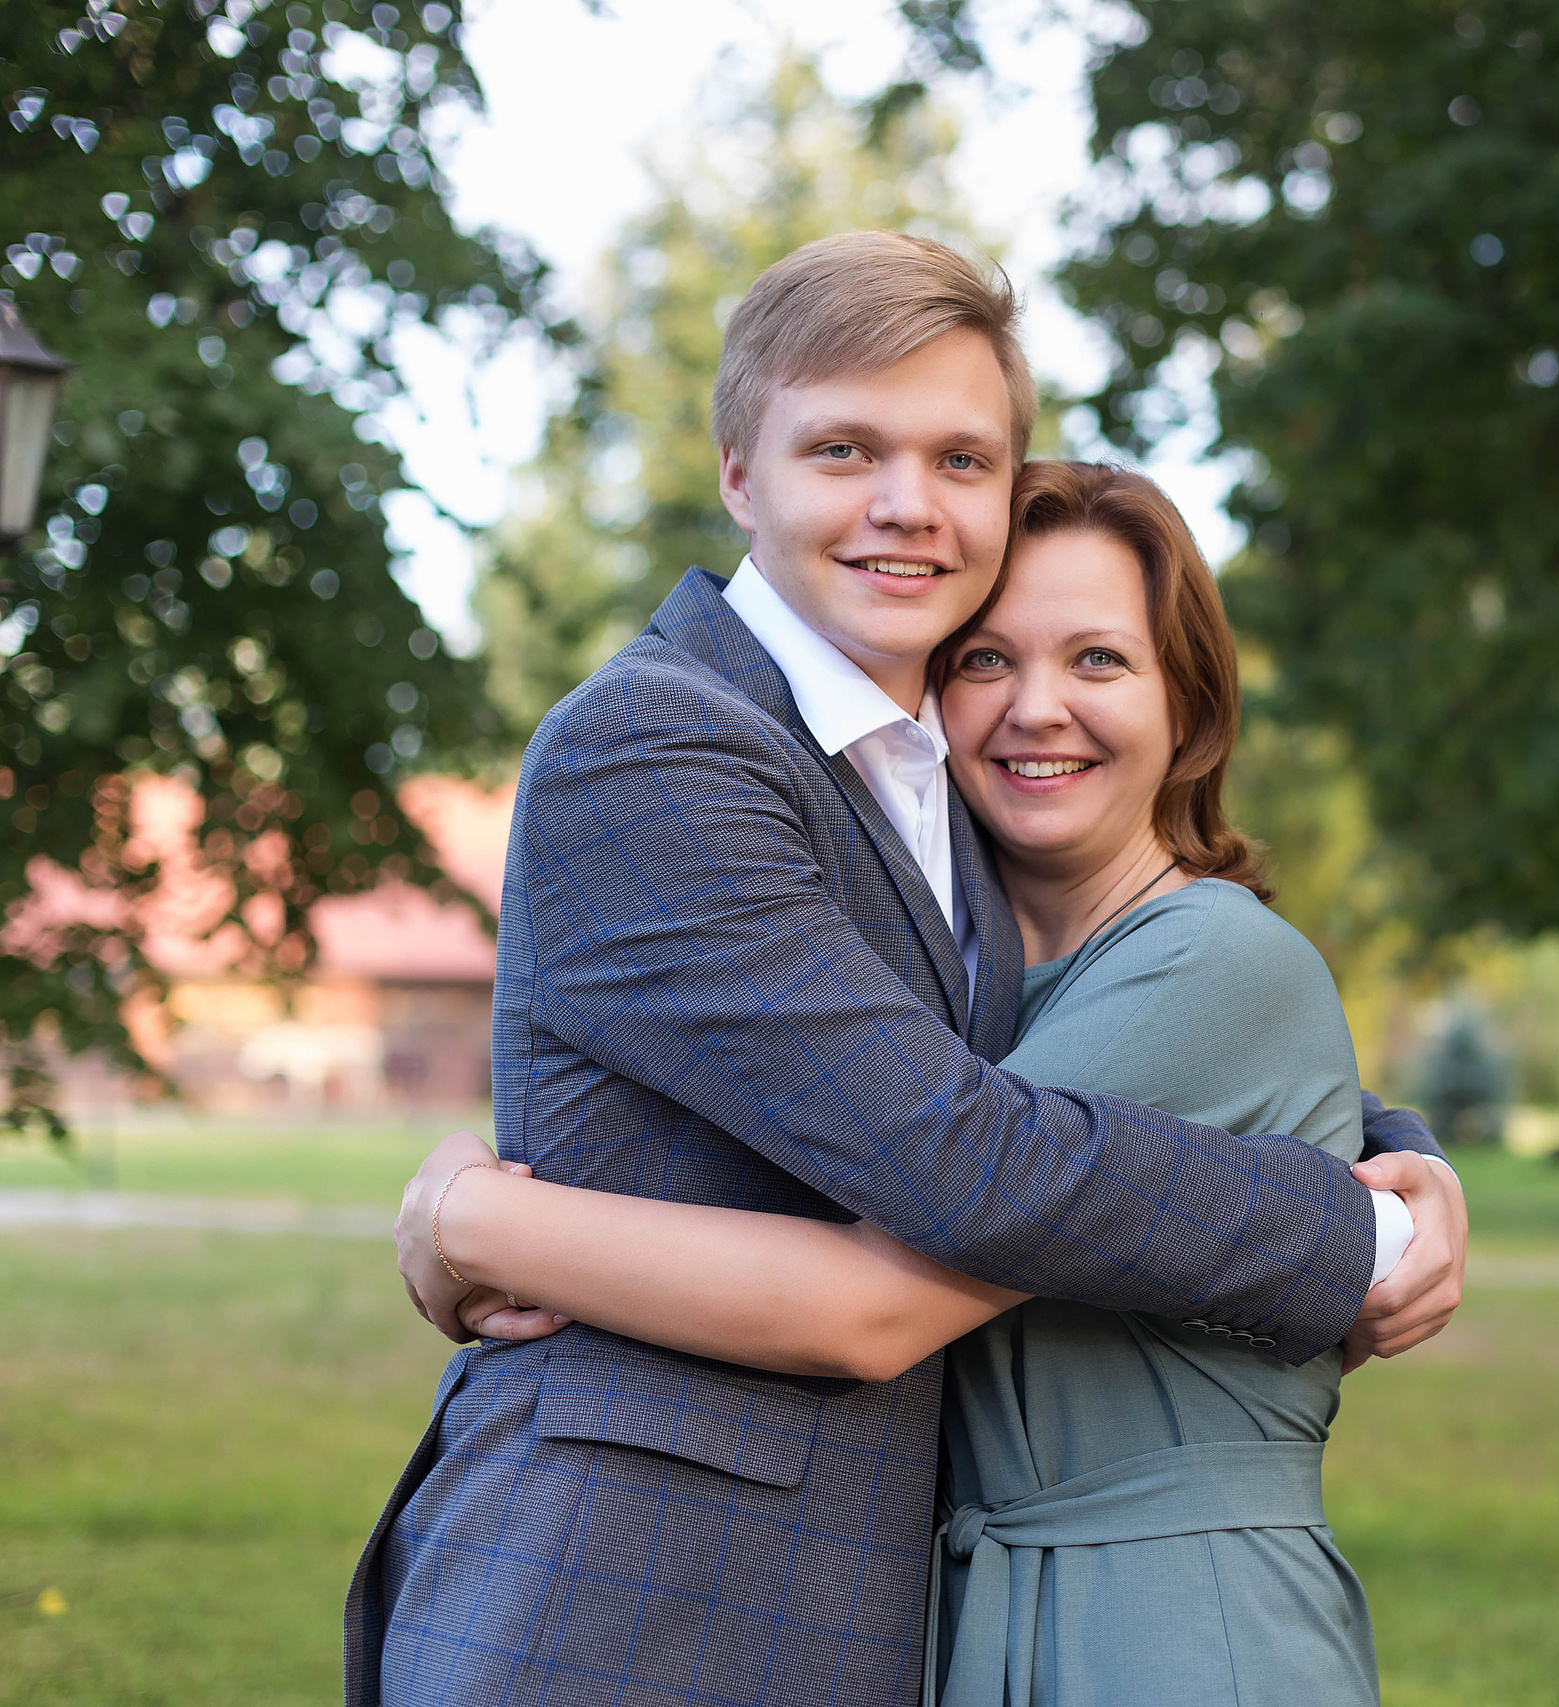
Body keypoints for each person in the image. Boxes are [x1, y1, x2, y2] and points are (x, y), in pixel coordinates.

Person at [348, 232, 1465, 1707]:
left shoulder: (922, 792)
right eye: (845, 448)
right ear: (741, 470)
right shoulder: (662, 746)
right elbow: (961, 1147)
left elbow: (1056, 1047)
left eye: (959, 459)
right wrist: (1349, 1228)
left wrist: (1385, 1139)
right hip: (619, 1602)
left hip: (868, 1610)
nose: (904, 505)